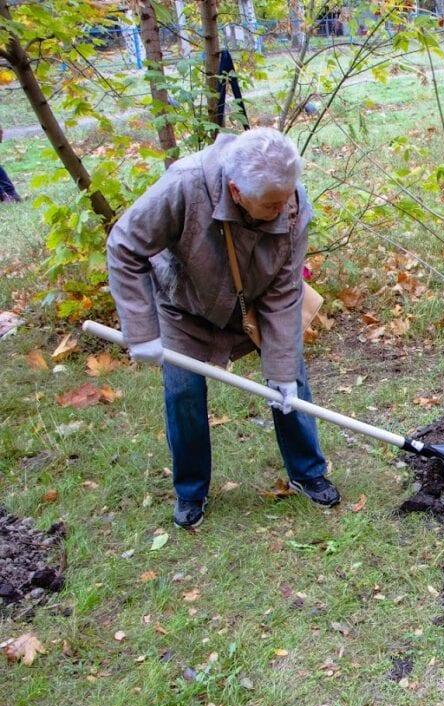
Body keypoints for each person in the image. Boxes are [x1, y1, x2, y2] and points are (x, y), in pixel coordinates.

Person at [107, 128, 341, 529]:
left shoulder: (293, 204)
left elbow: (285, 292)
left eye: (287, 198)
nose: (284, 209)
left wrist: (280, 372)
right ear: (236, 191)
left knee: (291, 384)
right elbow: (125, 246)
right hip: (185, 303)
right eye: (271, 205)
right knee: (183, 393)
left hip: (258, 301)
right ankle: (191, 491)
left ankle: (307, 471)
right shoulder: (185, 185)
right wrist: (141, 330)